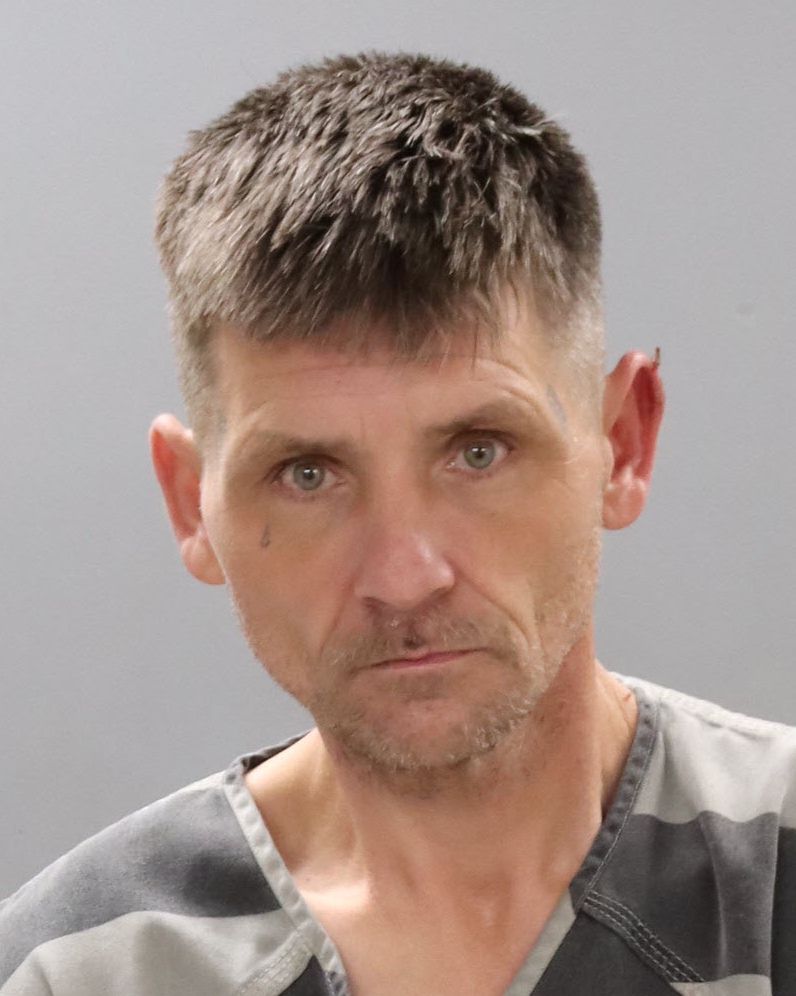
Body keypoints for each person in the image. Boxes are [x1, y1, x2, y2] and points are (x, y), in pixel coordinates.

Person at [1, 51, 794, 996]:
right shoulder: (72, 971)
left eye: (479, 452)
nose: (405, 575)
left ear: (621, 445)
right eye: (307, 475)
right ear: (191, 502)